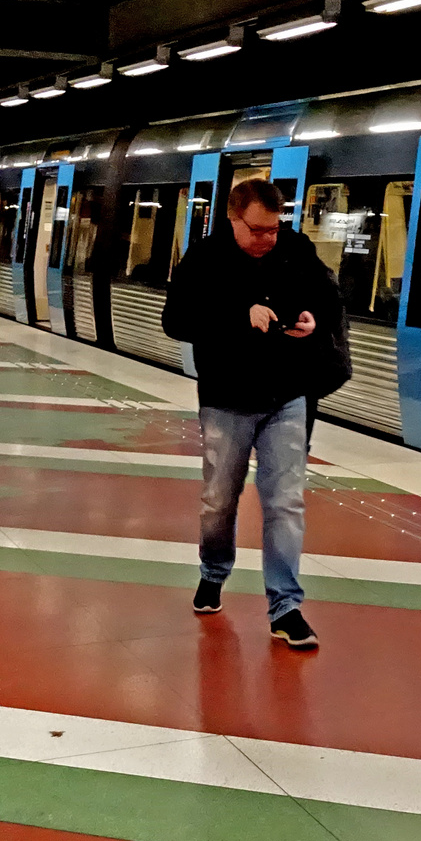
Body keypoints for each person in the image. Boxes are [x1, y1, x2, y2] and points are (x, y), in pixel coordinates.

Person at [162, 179, 349, 648]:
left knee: (284, 501)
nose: (268, 238)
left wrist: (314, 319)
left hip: (287, 394)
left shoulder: (296, 250)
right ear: (233, 219)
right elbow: (176, 320)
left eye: (274, 228)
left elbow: (328, 299)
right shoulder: (205, 259)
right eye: (258, 230)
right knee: (219, 498)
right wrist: (237, 318)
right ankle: (213, 570)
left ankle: (286, 606)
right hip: (227, 399)